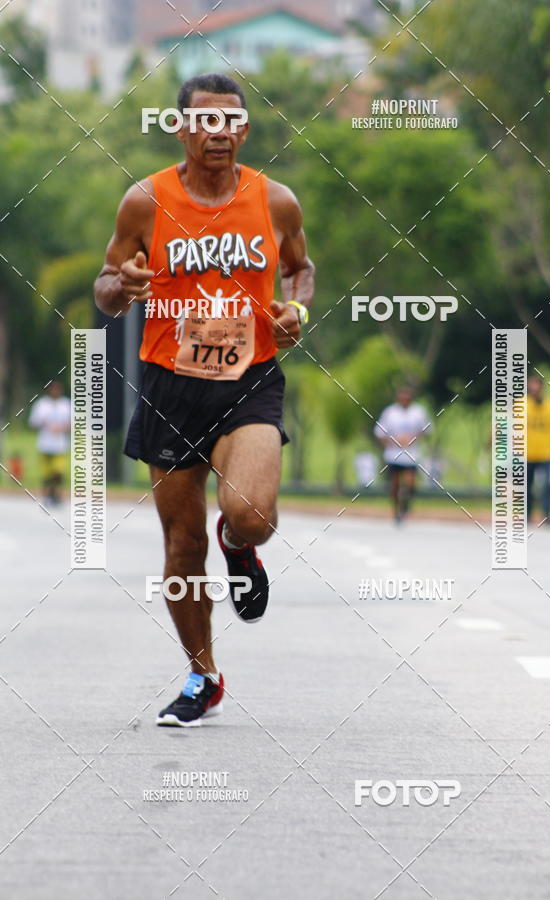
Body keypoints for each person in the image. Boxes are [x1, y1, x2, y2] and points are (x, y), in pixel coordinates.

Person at [94, 73, 314, 726]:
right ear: (182, 127)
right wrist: (122, 286)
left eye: (231, 122)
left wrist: (295, 308)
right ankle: (203, 674)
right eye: (204, 121)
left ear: (244, 130)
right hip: (170, 385)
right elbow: (106, 284)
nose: (218, 133)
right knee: (183, 548)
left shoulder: (276, 202)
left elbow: (300, 267)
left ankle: (240, 547)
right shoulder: (145, 201)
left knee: (251, 514)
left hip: (250, 378)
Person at [374, 385, 429, 522]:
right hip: (393, 455)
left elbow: (426, 430)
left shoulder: (418, 412)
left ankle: (406, 505)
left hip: (412, 455)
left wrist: (412, 439)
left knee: (410, 484)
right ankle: (396, 511)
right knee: (394, 485)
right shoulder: (390, 412)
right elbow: (380, 433)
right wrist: (393, 442)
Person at [28, 381, 71, 506]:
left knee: (58, 472)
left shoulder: (66, 404)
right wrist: (46, 425)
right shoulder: (42, 405)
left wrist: (62, 428)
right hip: (45, 444)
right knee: (46, 474)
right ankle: (47, 495)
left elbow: (74, 423)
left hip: (60, 445)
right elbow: (33, 423)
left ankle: (56, 494)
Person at [527, 374, 550, 524]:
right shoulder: (521, 405)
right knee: (527, 487)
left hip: (546, 452)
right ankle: (527, 516)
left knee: (546, 487)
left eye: (536, 389)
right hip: (526, 453)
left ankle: (547, 516)